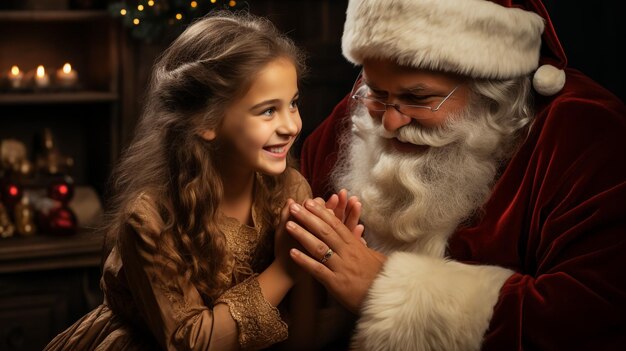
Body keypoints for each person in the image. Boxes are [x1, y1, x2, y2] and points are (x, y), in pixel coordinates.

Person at [288, 0, 626, 350]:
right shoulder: (351, 119)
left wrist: (385, 289)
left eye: (417, 97)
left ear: (491, 90)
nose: (388, 124)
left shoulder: (585, 130)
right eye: (375, 92)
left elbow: (596, 315)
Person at [44, 12, 317, 351]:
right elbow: (191, 343)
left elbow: (302, 338)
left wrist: (313, 258)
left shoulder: (289, 190)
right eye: (267, 111)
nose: (291, 125)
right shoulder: (150, 219)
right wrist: (286, 270)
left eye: (293, 103)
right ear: (207, 121)